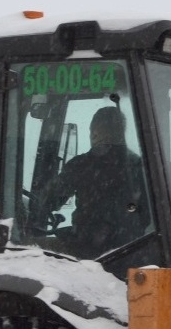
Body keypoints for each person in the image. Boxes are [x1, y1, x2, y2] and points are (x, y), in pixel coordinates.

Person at [39, 106, 149, 257]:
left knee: (31, 249)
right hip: (133, 249)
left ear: (95, 132)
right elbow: (146, 216)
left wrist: (38, 203)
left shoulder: (82, 165)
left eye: (94, 131)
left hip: (85, 250)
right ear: (122, 132)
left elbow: (49, 200)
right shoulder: (142, 167)